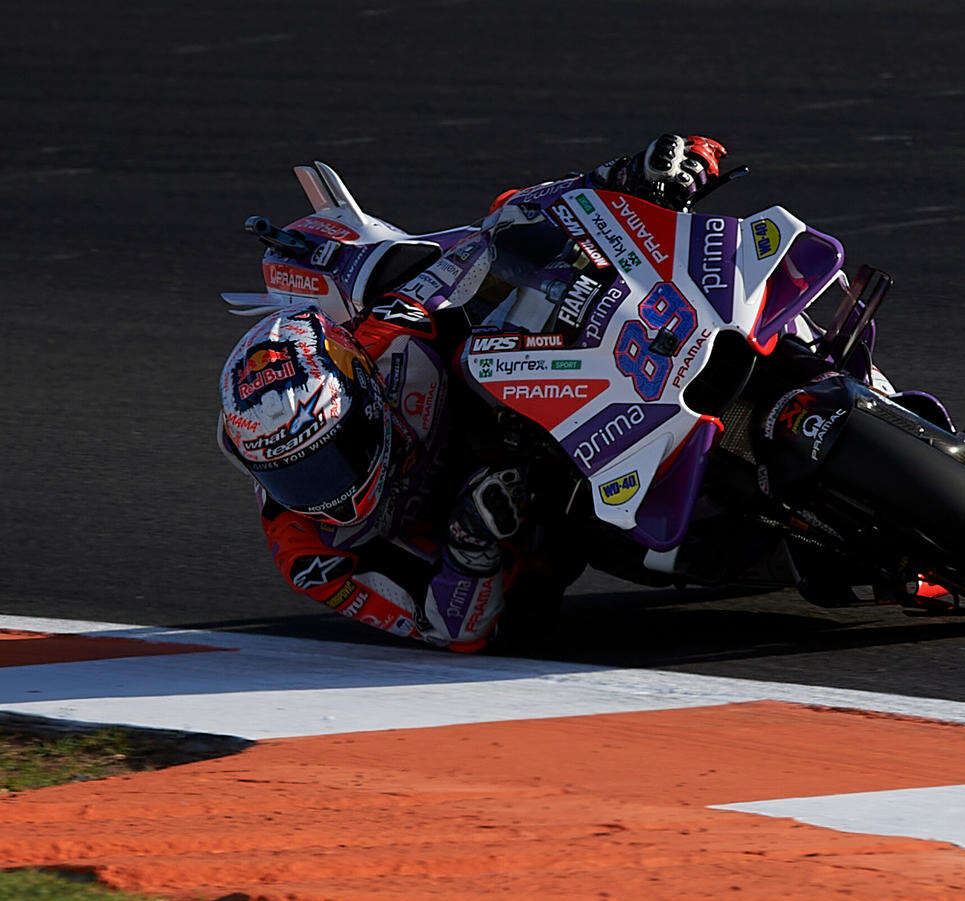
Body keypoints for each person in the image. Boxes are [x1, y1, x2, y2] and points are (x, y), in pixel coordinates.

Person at [216, 135, 729, 651]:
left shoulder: (387, 333)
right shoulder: (308, 554)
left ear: (364, 395)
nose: (325, 494)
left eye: (335, 457)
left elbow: (494, 233)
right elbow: (443, 627)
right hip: (511, 539)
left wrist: (619, 180)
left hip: (541, 400)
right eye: (292, 477)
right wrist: (469, 541)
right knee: (527, 619)